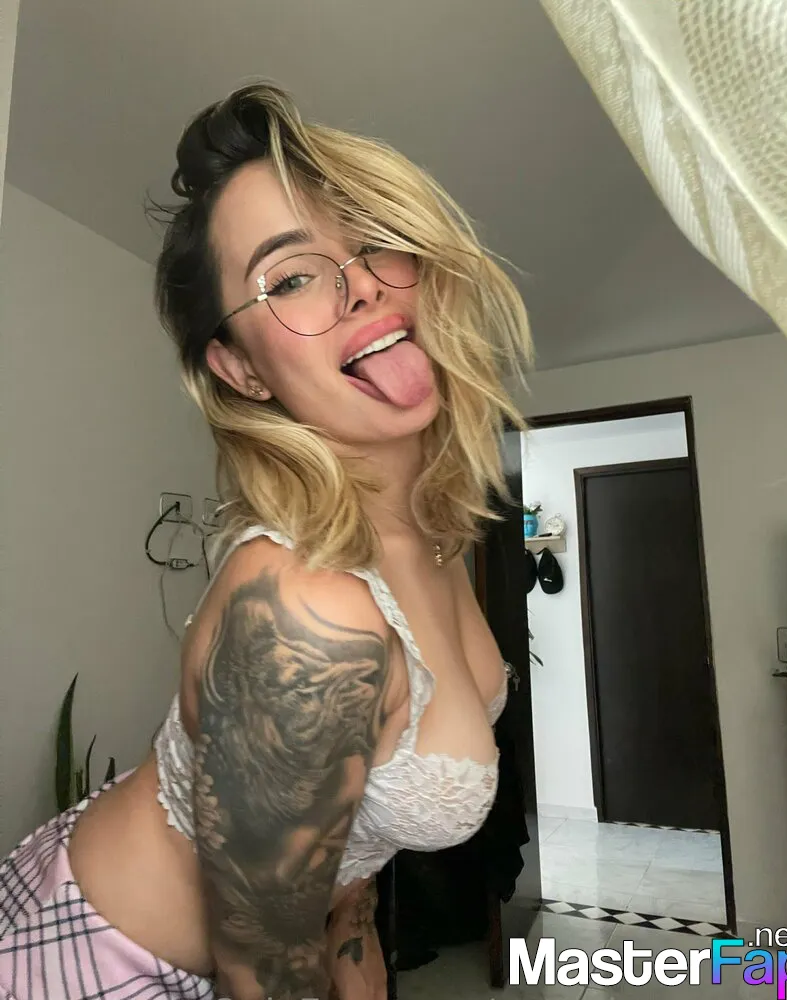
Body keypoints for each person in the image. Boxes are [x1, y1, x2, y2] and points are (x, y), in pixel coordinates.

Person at [0, 81, 532, 1000]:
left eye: (370, 238)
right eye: (289, 277)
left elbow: (346, 878)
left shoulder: (436, 534)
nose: (360, 283)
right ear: (241, 368)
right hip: (95, 968)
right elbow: (265, 971)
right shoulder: (307, 609)